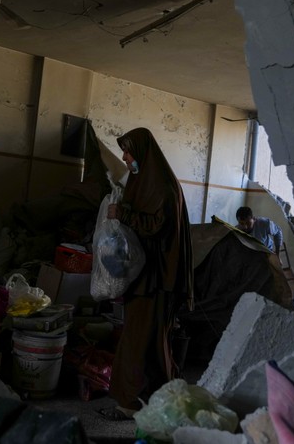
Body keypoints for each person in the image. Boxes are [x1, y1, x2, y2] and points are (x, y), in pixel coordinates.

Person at [97, 128, 194, 421]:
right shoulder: (144, 182)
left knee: (139, 343)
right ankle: (160, 399)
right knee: (148, 343)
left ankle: (132, 403)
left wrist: (122, 214)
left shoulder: (162, 186)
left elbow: (157, 226)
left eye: (128, 152)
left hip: (158, 279)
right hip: (144, 278)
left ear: (142, 152)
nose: (124, 158)